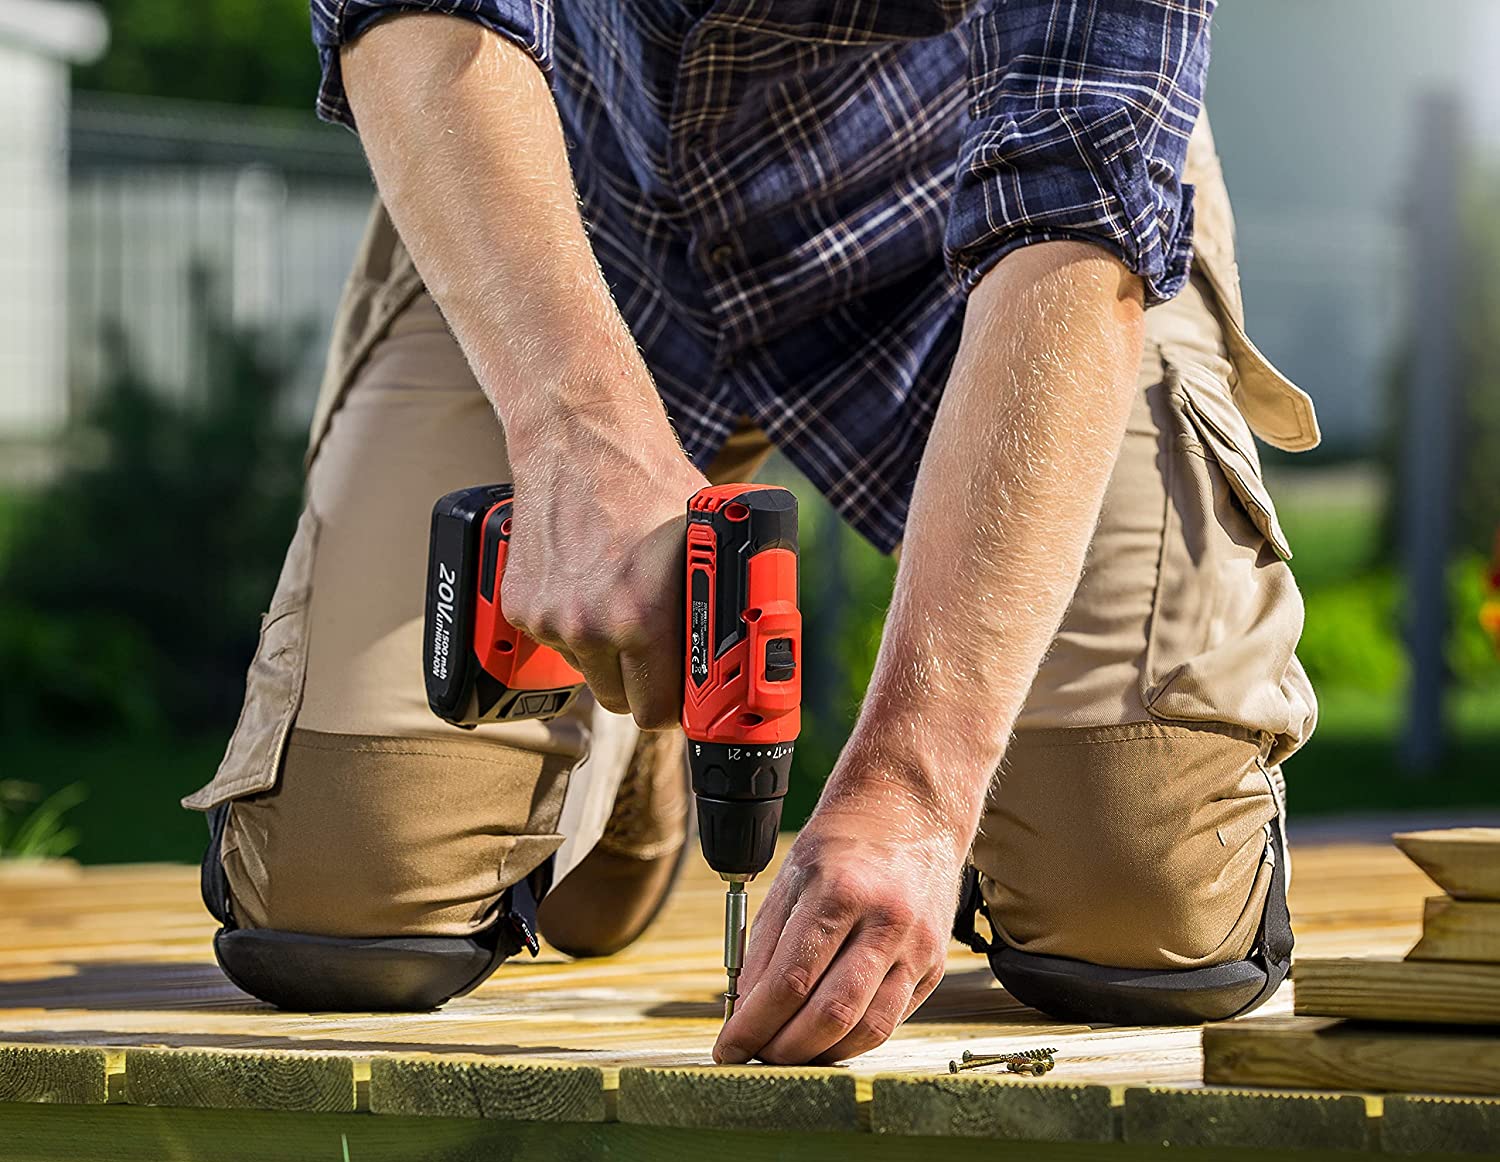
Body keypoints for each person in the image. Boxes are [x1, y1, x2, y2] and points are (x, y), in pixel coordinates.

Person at [187, 1, 1320, 1065]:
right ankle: (636, 731)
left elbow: (1080, 184)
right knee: (344, 902)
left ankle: (986, 805)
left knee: (1135, 900)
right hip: (544, 217)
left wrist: (914, 793)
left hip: (992, 231)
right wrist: (574, 433)